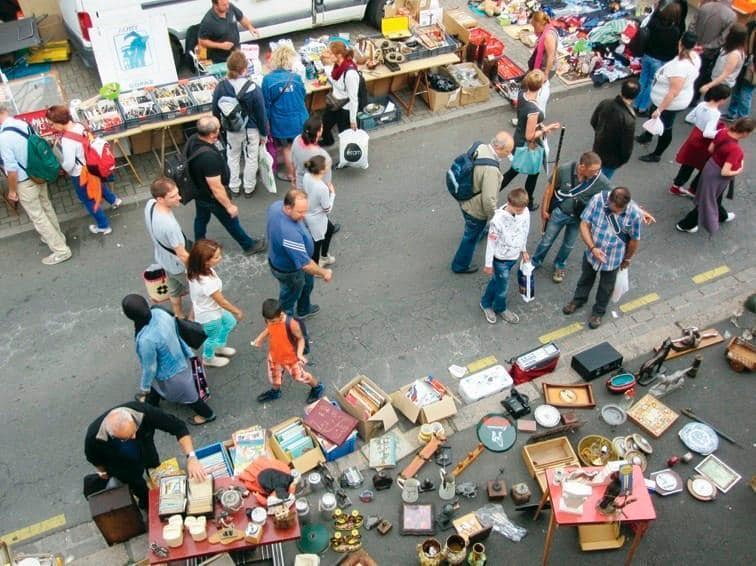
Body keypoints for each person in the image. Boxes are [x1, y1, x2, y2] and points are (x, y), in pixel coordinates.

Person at [84, 402, 206, 509]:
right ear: (112, 435)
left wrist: (191, 457)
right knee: (138, 487)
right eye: (127, 438)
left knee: (154, 468)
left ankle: (154, 482)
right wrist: (103, 472)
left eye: (135, 431)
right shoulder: (93, 437)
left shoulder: (144, 412)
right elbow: (94, 458)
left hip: (147, 453)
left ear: (133, 419)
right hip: (122, 467)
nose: (134, 437)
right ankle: (146, 502)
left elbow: (178, 427)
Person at [122, 294, 215, 426]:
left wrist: (144, 387)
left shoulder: (146, 340)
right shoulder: (158, 311)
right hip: (182, 355)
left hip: (172, 372)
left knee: (190, 396)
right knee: (160, 385)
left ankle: (208, 415)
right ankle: (151, 402)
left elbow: (150, 368)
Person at [0, 104, 71, 265]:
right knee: (46, 206)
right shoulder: (22, 123)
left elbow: (11, 170)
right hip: (39, 174)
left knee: (38, 217)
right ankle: (57, 236)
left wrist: (12, 191)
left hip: (25, 181)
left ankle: (61, 250)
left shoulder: (3, 138)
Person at [562, 187, 643, 329]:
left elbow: (634, 240)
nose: (617, 211)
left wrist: (627, 259)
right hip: (591, 252)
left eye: (620, 209)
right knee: (585, 278)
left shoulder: (634, 214)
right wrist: (593, 248)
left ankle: (598, 312)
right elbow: (584, 224)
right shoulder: (598, 200)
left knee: (606, 287)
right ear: (609, 200)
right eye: (614, 208)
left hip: (614, 257)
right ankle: (578, 300)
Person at [186, 116, 266, 254]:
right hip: (212, 196)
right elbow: (216, 187)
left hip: (199, 192)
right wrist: (229, 206)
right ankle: (248, 245)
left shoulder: (193, 139)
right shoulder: (209, 158)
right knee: (230, 220)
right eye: (218, 128)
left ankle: (199, 243)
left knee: (201, 217)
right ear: (212, 134)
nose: (220, 129)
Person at [532, 152, 612, 283]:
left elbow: (615, 195)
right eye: (593, 170)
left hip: (578, 219)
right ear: (582, 167)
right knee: (547, 240)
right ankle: (536, 261)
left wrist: (638, 210)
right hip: (560, 212)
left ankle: (559, 265)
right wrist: (544, 210)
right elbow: (549, 189)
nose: (597, 173)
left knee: (568, 245)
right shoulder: (564, 169)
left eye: (598, 169)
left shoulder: (599, 180)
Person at [46, 105, 122, 235]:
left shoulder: (67, 141)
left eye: (52, 124)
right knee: (98, 185)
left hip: (81, 173)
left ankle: (103, 226)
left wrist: (61, 166)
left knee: (88, 199)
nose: (52, 127)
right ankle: (114, 200)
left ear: (60, 122)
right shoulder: (79, 125)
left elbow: (69, 165)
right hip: (93, 165)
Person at [675, 117, 754, 234]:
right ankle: (686, 224)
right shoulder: (735, 150)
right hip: (717, 176)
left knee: (714, 196)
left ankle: (721, 216)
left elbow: (711, 149)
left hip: (710, 167)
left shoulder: (722, 132)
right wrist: (739, 170)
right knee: (707, 200)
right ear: (745, 132)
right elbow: (725, 172)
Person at [451, 132, 514, 274]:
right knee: (470, 237)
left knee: (473, 230)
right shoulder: (491, 170)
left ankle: (480, 232)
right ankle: (460, 265)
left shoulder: (479, 146)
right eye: (508, 151)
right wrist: (493, 216)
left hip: (464, 197)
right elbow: (488, 200)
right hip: (474, 209)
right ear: (499, 147)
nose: (509, 154)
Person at [266, 189, 333, 318]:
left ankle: (304, 308)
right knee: (289, 296)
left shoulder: (276, 207)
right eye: (300, 212)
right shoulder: (289, 233)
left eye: (305, 210)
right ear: (288, 207)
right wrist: (324, 272)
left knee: (307, 284)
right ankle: (286, 322)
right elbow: (306, 265)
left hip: (290, 261)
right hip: (290, 271)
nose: (304, 215)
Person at [636, 31, 701, 162]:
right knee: (653, 116)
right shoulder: (693, 57)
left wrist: (659, 110)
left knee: (666, 127)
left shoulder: (680, 67)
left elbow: (673, 92)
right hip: (668, 99)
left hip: (670, 103)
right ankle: (647, 135)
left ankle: (657, 154)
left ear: (680, 42)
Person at [500, 70, 561, 210]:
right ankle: (529, 202)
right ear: (540, 87)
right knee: (533, 173)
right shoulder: (534, 110)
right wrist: (546, 129)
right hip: (526, 145)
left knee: (514, 170)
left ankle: (494, 190)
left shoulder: (522, 94)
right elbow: (530, 135)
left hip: (518, 137)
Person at [212, 51, 268, 197]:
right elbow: (262, 114)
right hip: (251, 129)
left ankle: (234, 187)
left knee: (233, 157)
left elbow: (215, 110)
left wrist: (218, 130)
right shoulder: (253, 88)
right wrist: (264, 133)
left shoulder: (221, 87)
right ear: (244, 69)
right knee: (251, 157)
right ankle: (249, 187)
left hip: (232, 129)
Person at [251, 298, 324, 403]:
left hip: (290, 359)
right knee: (274, 377)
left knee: (300, 376)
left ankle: (317, 387)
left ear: (280, 315)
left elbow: (301, 338)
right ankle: (275, 392)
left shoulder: (291, 324)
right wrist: (259, 339)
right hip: (274, 356)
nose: (269, 323)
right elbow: (269, 329)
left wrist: (299, 354)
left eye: (272, 321)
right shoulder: (271, 319)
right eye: (267, 320)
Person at [187, 239, 244, 368]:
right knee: (211, 337)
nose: (220, 258)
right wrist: (237, 311)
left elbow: (195, 296)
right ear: (205, 261)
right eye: (216, 257)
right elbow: (222, 301)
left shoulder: (195, 271)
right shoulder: (207, 282)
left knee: (230, 322)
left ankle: (218, 346)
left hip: (210, 309)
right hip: (210, 315)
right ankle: (208, 358)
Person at [480, 188, 531, 325]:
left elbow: (524, 232)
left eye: (522, 210)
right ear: (509, 202)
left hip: (513, 256)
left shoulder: (524, 212)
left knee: (496, 281)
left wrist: (523, 250)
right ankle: (500, 308)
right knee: (503, 286)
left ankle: (485, 303)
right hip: (501, 259)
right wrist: (488, 264)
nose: (520, 213)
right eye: (517, 210)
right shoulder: (497, 220)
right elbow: (491, 242)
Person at [671, 84, 731, 196]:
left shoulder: (702, 104)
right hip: (704, 143)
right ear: (722, 99)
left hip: (694, 136)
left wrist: (700, 122)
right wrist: (721, 132)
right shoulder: (715, 113)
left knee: (687, 163)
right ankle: (693, 189)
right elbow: (708, 133)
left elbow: (689, 118)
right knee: (703, 167)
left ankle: (676, 186)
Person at [144, 177, 191, 319]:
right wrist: (196, 270)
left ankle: (178, 314)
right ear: (160, 199)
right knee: (198, 292)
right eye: (173, 196)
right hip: (177, 265)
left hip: (163, 259)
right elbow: (182, 254)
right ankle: (192, 320)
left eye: (177, 193)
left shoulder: (150, 205)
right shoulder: (170, 226)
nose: (179, 198)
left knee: (174, 289)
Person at [262, 44, 308, 185]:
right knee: (301, 146)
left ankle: (291, 175)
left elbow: (266, 105)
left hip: (282, 122)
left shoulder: (268, 80)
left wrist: (267, 123)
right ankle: (304, 173)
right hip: (300, 119)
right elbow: (303, 95)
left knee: (288, 149)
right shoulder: (296, 78)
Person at [634, 3, 682, 116]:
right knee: (651, 83)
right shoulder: (674, 31)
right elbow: (672, 50)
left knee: (642, 80)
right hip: (660, 60)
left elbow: (654, 14)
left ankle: (636, 103)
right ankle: (642, 108)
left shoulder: (654, 23)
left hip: (647, 55)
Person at [590, 78, 640, 178]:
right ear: (636, 95)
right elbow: (626, 147)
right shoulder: (629, 119)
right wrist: (622, 160)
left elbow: (593, 121)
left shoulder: (605, 103)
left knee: (593, 174)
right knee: (602, 181)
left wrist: (599, 133)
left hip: (598, 148)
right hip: (612, 159)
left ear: (621, 90)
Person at [690, 0, 736, 106]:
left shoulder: (705, 6)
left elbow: (693, 24)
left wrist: (694, 42)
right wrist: (706, 47)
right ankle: (693, 98)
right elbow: (723, 38)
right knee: (702, 75)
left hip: (693, 47)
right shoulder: (731, 16)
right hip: (709, 53)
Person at [319, 42, 361, 147]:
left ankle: (348, 159)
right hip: (335, 103)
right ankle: (328, 141)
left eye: (330, 53)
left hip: (345, 109)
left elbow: (354, 99)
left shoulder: (350, 74)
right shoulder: (337, 66)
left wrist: (353, 120)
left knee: (345, 137)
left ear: (339, 55)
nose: (328, 55)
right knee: (325, 125)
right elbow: (334, 80)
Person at [302, 156, 337, 267]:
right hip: (317, 218)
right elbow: (327, 209)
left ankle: (324, 256)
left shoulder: (307, 176)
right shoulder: (322, 188)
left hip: (308, 213)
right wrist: (332, 194)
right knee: (317, 241)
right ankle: (317, 265)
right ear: (321, 170)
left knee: (330, 229)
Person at [699, 24, 748, 96]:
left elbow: (725, 74)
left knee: (709, 104)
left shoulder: (734, 54)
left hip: (721, 86)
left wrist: (708, 85)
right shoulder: (731, 47)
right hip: (717, 82)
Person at [723, 17, 756, 121]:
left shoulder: (751, 24)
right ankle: (734, 115)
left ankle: (741, 118)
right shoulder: (751, 24)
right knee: (739, 90)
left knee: (745, 92)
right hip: (745, 63)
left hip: (751, 66)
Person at [527, 11, 559, 112]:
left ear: (540, 24)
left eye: (535, 27)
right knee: (536, 89)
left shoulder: (548, 36)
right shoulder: (548, 29)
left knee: (537, 91)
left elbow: (551, 56)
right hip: (543, 67)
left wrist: (545, 74)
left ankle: (534, 112)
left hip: (545, 68)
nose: (534, 30)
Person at [292, 116, 332, 190]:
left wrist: (294, 177)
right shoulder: (322, 155)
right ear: (318, 132)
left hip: (300, 184)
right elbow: (326, 178)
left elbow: (294, 162)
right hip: (315, 189)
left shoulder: (297, 140)